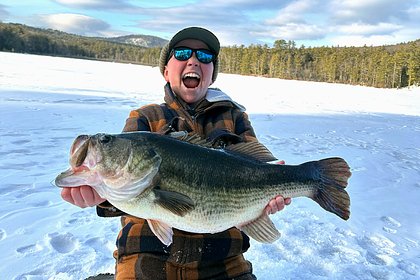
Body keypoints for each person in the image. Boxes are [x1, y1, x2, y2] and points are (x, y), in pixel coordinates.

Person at [61, 27, 291, 280]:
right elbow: (125, 189)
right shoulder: (145, 118)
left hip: (224, 259)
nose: (193, 60)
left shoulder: (234, 118)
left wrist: (267, 197)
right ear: (166, 70)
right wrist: (99, 195)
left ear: (212, 74)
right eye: (182, 53)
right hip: (145, 255)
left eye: (205, 57)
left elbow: (257, 168)